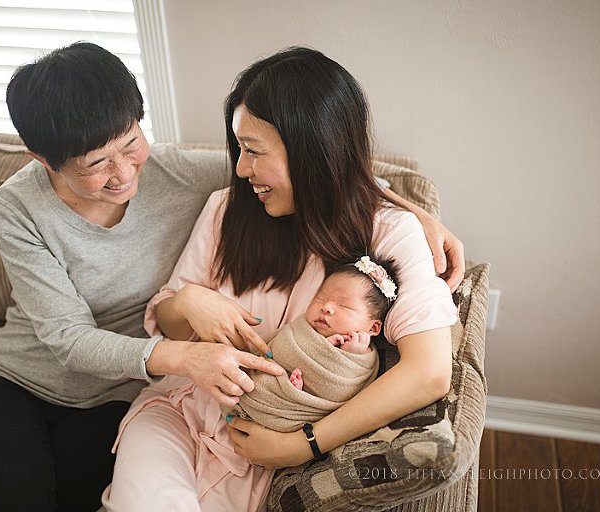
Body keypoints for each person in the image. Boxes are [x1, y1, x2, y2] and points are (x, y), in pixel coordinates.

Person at [103, 46, 460, 512]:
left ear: (313, 150)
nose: (240, 168)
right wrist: (189, 301)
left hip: (260, 447)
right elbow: (170, 326)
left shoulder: (388, 232)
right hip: (177, 414)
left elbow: (429, 373)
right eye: (239, 149)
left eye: (253, 151)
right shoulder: (225, 209)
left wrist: (304, 445)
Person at [0, 42, 284, 512]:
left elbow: (296, 177)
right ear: (42, 158)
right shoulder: (16, 208)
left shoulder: (178, 174)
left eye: (131, 142)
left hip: (119, 393)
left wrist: (409, 209)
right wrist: (190, 358)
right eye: (96, 163)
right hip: (16, 383)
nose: (123, 172)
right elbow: (68, 339)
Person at [231, 254, 401, 434]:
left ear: (373, 327)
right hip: (256, 389)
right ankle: (291, 390)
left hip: (294, 415)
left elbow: (341, 391)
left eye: (344, 305)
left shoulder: (363, 357)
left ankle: (296, 393)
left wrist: (348, 353)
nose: (326, 307)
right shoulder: (302, 326)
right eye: (320, 298)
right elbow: (275, 347)